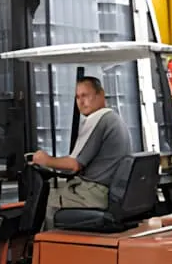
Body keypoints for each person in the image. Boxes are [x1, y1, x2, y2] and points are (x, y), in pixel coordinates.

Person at [32, 76, 132, 229]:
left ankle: (44, 248)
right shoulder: (114, 118)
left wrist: (45, 160)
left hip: (94, 193)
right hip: (106, 190)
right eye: (77, 97)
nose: (81, 101)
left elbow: (74, 165)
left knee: (47, 197)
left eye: (85, 95)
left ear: (100, 95)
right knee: (56, 186)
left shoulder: (98, 118)